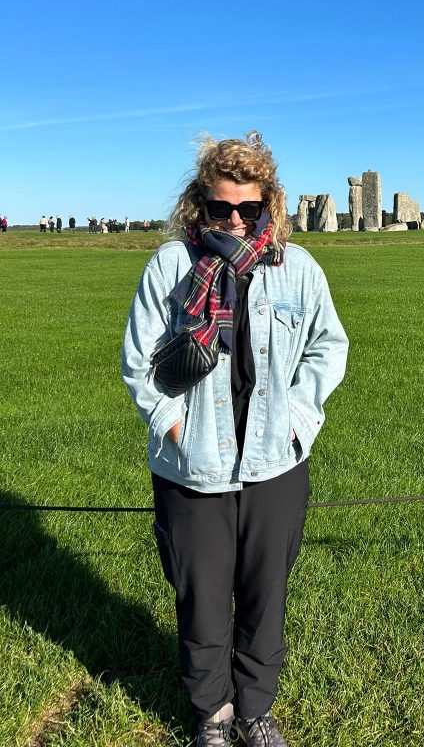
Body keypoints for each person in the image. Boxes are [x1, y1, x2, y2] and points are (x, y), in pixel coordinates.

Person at [122, 132, 348, 747]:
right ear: (200, 204)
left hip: (276, 458)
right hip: (193, 463)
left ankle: (254, 708)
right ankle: (213, 715)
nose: (236, 221)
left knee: (264, 592)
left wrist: (301, 420)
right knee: (200, 595)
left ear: (268, 205)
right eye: (222, 208)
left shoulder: (298, 268)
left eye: (250, 209)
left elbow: (330, 348)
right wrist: (172, 424)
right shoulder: (172, 266)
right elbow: (140, 362)